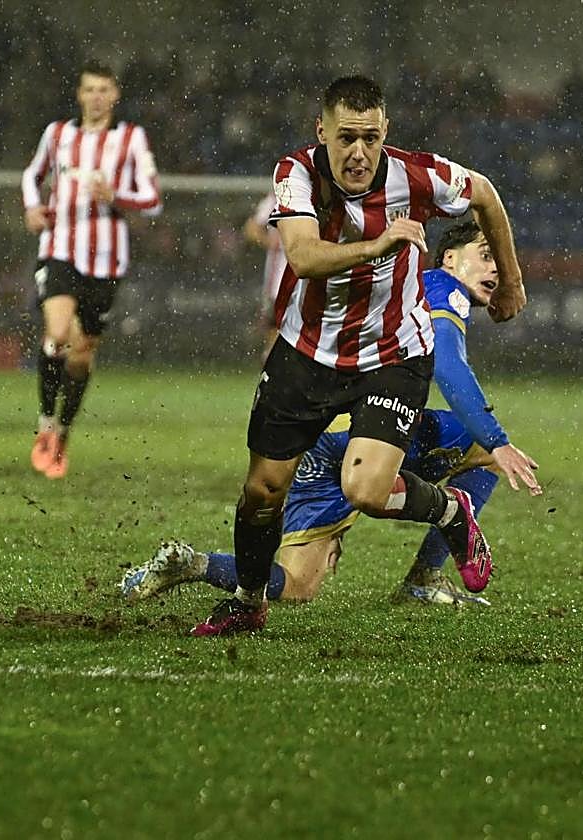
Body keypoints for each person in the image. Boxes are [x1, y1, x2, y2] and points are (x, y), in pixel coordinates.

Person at [190, 76, 526, 636]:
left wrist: (511, 281)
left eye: (370, 137)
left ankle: (450, 512)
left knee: (366, 489)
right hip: (307, 352)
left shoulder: (418, 174)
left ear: (385, 132)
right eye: (346, 137)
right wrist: (380, 244)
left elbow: (486, 192)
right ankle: (248, 603)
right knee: (261, 492)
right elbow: (302, 256)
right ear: (321, 131)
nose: (359, 152)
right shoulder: (294, 174)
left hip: (394, 353)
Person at [121, 221, 541, 607]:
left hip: (318, 436)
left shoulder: (400, 289)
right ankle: (428, 570)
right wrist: (496, 440)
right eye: (486, 255)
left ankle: (193, 565)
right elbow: (449, 366)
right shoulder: (440, 287)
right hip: (365, 427)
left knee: (297, 583)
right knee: (485, 454)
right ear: (450, 257)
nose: (496, 270)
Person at [20, 62, 162, 479]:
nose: (96, 97)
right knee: (58, 333)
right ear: (79, 95)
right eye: (89, 89)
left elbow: (153, 200)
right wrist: (32, 206)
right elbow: (33, 173)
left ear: (115, 95)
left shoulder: (132, 139)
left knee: (81, 357)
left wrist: (116, 194)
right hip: (60, 248)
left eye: (104, 90)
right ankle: (45, 425)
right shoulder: (58, 134)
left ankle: (63, 432)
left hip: (106, 261)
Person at [242, 194, 288, 359]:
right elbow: (251, 228)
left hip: (308, 279)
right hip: (279, 283)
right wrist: (270, 241)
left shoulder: (320, 194)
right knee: (275, 331)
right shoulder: (279, 197)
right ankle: (273, 373)